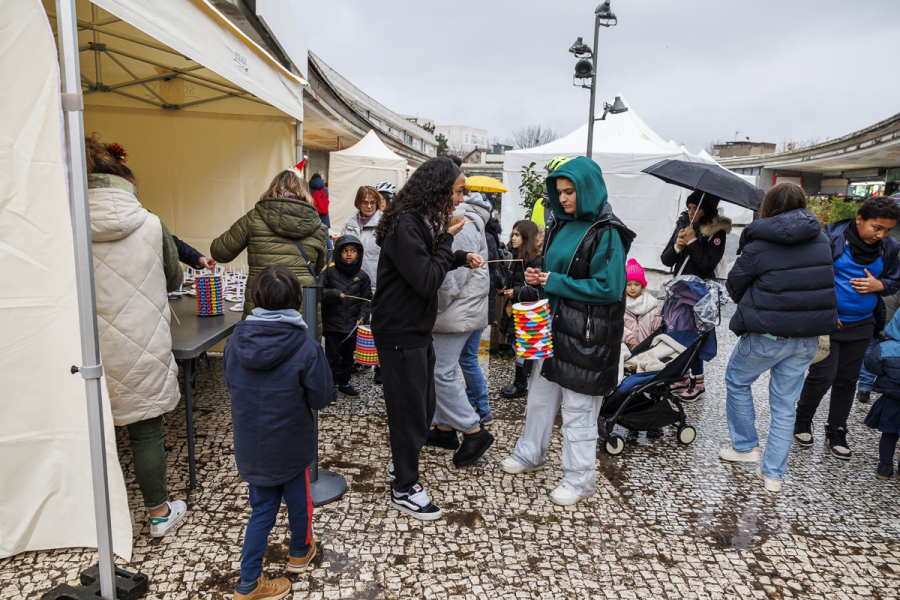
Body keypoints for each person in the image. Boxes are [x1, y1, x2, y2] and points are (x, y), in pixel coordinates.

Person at [501, 156, 634, 507]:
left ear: (587, 188)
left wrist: (554, 282)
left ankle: (580, 480)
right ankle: (531, 453)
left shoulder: (607, 232)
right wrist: (539, 275)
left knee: (578, 411)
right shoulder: (562, 223)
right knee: (540, 398)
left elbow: (610, 288)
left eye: (570, 191)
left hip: (587, 337)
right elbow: (557, 269)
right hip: (554, 328)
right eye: (559, 191)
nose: (563, 198)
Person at [371, 157, 484, 520]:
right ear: (438, 190)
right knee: (408, 412)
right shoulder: (406, 223)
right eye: (457, 191)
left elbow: (425, 262)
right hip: (400, 330)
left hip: (414, 329)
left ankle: (402, 465)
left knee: (422, 407)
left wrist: (459, 256)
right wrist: (448, 240)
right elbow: (426, 279)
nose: (459, 199)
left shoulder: (415, 221)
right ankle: (404, 487)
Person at [84, 135, 186, 537]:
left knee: (88, 428)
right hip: (141, 340)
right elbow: (174, 277)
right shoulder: (150, 222)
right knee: (146, 430)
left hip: (83, 348)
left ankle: (90, 519)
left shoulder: (63, 223)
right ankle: (159, 514)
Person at [718, 183, 838, 493]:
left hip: (766, 334)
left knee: (737, 381)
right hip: (806, 339)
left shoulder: (758, 244)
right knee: (785, 406)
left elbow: (734, 285)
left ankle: (745, 447)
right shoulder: (822, 240)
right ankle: (773, 475)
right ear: (804, 204)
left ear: (768, 207)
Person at [223, 266, 333, 600]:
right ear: (297, 301)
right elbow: (322, 397)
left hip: (251, 444)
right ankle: (296, 554)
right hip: (292, 443)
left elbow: (231, 384)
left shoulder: (233, 342)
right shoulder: (306, 347)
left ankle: (250, 578)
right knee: (300, 501)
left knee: (262, 510)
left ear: (255, 298)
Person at [794, 196, 900, 460]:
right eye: (877, 227)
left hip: (863, 323)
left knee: (847, 379)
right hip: (829, 322)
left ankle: (837, 429)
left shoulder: (889, 247)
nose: (882, 234)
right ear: (860, 219)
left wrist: (881, 286)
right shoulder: (829, 239)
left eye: (887, 229)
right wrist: (826, 311)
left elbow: (894, 280)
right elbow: (809, 279)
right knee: (823, 375)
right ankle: (803, 419)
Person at [428, 190, 495, 465]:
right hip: (460, 310)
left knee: (440, 371)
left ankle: (473, 430)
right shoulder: (471, 219)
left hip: (455, 311)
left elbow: (451, 277)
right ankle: (444, 429)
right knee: (444, 369)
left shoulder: (465, 221)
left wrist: (435, 305)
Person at [211, 170, 328, 321]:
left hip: (261, 307)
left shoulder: (255, 217)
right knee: (301, 345)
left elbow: (219, 252)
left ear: (274, 187)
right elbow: (317, 269)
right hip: (301, 311)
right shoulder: (318, 226)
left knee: (261, 344)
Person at [660, 191, 733, 401]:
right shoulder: (683, 224)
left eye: (696, 208)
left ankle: (698, 381)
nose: (691, 212)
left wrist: (692, 243)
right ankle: (682, 375)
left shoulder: (716, 232)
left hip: (700, 293)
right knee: (678, 332)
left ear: (706, 209)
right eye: (689, 207)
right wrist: (677, 245)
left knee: (697, 337)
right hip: (678, 290)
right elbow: (666, 260)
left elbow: (707, 265)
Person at [320, 235, 372, 399]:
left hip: (352, 326)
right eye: (344, 251)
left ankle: (344, 383)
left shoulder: (363, 276)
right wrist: (333, 294)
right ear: (338, 253)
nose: (349, 254)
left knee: (348, 358)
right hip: (333, 325)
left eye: (353, 251)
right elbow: (319, 292)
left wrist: (363, 317)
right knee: (332, 358)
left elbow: (366, 300)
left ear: (359, 253)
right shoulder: (329, 272)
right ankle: (330, 387)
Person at [341, 186, 384, 382]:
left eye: (372, 202)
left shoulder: (384, 223)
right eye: (365, 202)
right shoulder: (349, 224)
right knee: (358, 324)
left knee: (379, 326)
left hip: (376, 282)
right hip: (353, 283)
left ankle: (381, 368)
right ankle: (363, 362)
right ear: (358, 202)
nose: (368, 206)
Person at [497, 220, 543, 399]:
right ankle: (521, 383)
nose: (513, 238)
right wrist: (504, 289)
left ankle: (522, 384)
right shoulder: (515, 256)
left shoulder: (536, 260)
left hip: (529, 313)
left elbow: (538, 290)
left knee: (527, 350)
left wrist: (514, 292)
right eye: (513, 234)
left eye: (517, 234)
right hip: (514, 310)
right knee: (518, 348)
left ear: (527, 237)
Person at [863, 314, 900, 480]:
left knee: (889, 434)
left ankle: (884, 467)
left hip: (891, 400)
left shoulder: (885, 348)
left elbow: (872, 367)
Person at [622, 258, 662, 350]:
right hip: (626, 348)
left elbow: (656, 325)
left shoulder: (651, 304)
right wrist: (627, 335)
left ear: (642, 285)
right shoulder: (619, 304)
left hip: (647, 347)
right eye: (628, 284)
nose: (633, 288)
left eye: (637, 284)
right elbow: (615, 325)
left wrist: (660, 322)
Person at [309, 172, 332, 250]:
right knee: (326, 235)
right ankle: (331, 251)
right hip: (324, 216)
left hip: (313, 214)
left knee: (312, 235)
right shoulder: (325, 189)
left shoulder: (310, 189)